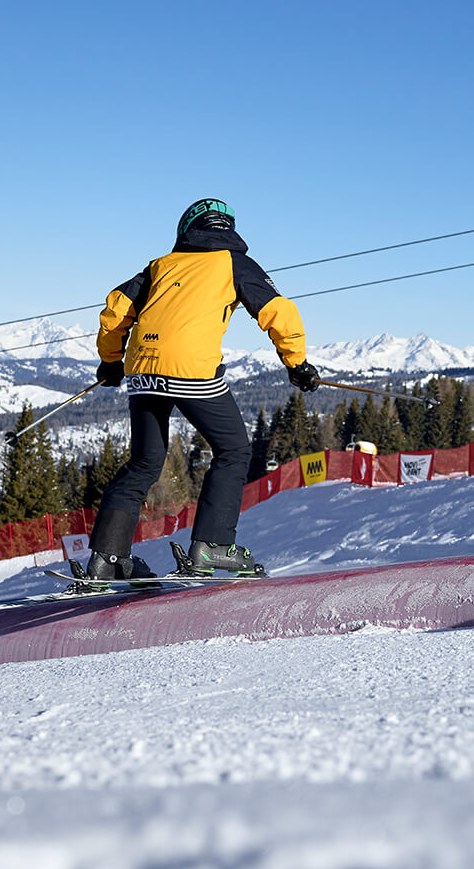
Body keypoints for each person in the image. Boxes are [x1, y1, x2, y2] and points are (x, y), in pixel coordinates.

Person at [86, 197, 319, 581]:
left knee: (144, 462)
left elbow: (116, 310)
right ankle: (212, 547)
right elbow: (278, 311)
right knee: (233, 450)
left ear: (186, 230)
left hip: (143, 369)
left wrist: (111, 362)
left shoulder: (159, 266)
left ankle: (108, 559)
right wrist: (297, 364)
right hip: (190, 370)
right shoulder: (233, 262)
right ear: (227, 229)